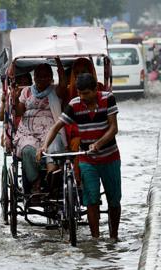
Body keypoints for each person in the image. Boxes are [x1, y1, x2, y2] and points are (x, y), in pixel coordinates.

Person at [37, 73, 121, 241]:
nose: (83, 97)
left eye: (87, 93)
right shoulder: (74, 104)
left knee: (114, 200)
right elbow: (56, 127)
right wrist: (45, 145)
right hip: (87, 159)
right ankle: (95, 239)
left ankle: (114, 237)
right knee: (91, 199)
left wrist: (99, 143)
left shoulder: (108, 99)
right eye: (80, 93)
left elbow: (113, 128)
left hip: (109, 157)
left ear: (96, 90)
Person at [13, 59, 67, 193]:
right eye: (39, 76)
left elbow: (64, 84)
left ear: (51, 78)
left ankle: (52, 174)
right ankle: (35, 184)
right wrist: (14, 99)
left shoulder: (55, 90)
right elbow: (20, 111)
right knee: (27, 149)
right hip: (28, 131)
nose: (42, 79)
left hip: (50, 129)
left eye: (46, 76)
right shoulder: (26, 91)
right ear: (34, 77)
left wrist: (58, 62)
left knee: (54, 142)